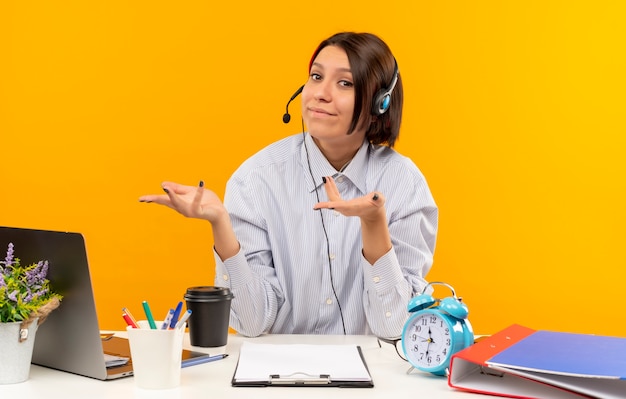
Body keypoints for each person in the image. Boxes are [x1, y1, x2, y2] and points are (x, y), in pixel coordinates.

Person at [139, 32, 438, 339]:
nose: (320, 94)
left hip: (374, 376)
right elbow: (253, 323)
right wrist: (220, 225)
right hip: (276, 376)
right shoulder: (256, 178)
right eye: (316, 76)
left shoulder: (404, 184)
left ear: (380, 102)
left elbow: (395, 326)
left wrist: (374, 224)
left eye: (345, 83)